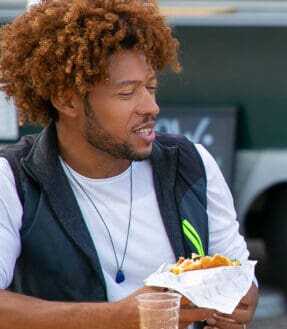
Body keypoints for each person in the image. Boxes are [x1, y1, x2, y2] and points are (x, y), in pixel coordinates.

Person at [0, 0, 257, 328]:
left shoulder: (192, 164)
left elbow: (241, 274)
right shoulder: (12, 181)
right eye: (127, 93)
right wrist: (119, 318)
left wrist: (239, 301)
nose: (151, 107)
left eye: (150, 88)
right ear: (66, 100)